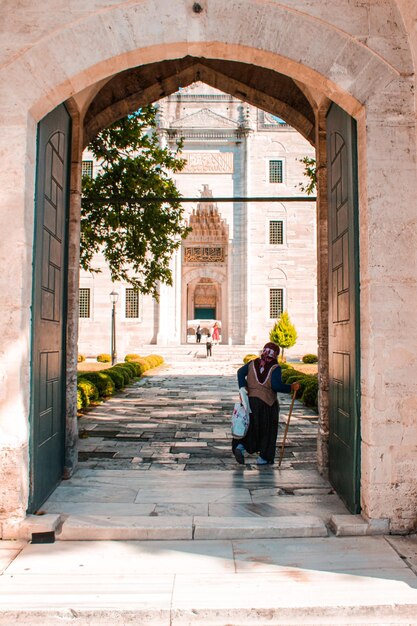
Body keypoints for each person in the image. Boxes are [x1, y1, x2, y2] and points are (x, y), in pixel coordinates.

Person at [232, 342, 300, 465]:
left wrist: (243, 386)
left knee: (251, 427)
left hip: (251, 402)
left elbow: (240, 373)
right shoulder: (275, 367)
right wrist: (291, 387)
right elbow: (276, 386)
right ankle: (264, 457)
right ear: (275, 354)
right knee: (267, 431)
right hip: (267, 404)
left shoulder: (252, 363)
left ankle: (241, 446)